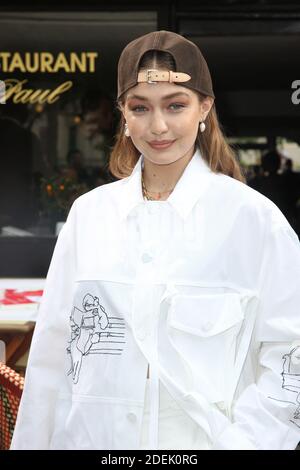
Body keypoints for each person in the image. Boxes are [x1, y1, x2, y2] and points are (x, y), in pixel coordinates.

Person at [11, 30, 300, 450]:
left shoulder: (253, 221)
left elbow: (291, 355)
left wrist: (246, 442)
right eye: (140, 107)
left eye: (175, 105)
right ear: (123, 114)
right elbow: (51, 355)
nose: (158, 126)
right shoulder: (90, 216)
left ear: (205, 107)